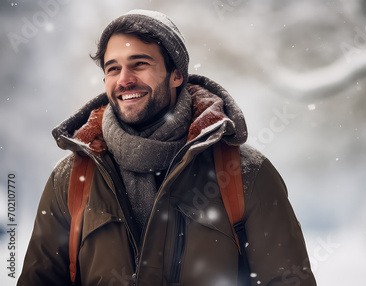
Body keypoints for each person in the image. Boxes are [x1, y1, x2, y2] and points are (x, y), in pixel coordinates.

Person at [18, 9, 316, 286]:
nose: (124, 80)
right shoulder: (71, 179)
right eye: (113, 69)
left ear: (177, 75)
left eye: (139, 64)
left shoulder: (244, 174)